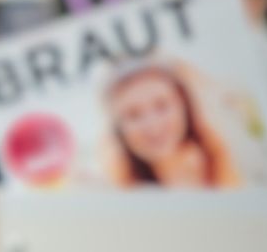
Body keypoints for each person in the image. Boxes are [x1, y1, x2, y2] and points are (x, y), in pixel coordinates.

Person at [102, 60, 240, 188]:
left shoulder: (231, 163)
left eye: (162, 106)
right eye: (134, 115)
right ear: (118, 129)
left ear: (184, 105)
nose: (152, 125)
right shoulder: (117, 190)